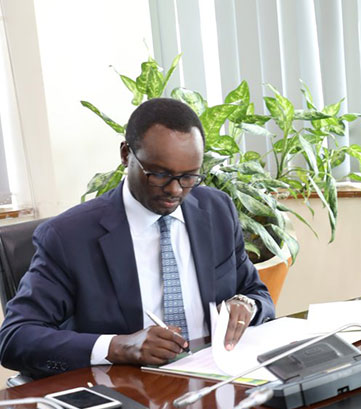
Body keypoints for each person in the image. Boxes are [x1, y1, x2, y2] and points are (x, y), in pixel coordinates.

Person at [0, 98, 275, 379]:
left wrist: (245, 304)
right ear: (125, 155)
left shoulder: (216, 211)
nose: (175, 190)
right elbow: (16, 337)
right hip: (129, 394)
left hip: (215, 381)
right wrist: (119, 346)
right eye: (159, 174)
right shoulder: (69, 236)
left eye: (189, 177)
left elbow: (257, 293)